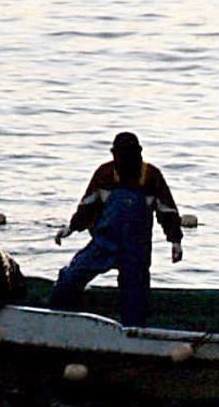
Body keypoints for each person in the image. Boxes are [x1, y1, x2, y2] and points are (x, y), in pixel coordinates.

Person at [49, 132, 184, 326]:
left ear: (139, 153)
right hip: (104, 244)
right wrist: (71, 228)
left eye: (132, 153)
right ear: (114, 154)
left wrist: (175, 241)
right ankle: (58, 319)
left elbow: (167, 212)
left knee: (136, 298)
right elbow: (87, 207)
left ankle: (134, 332)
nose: (127, 158)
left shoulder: (151, 176)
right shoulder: (104, 174)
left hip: (136, 249)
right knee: (70, 278)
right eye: (122, 154)